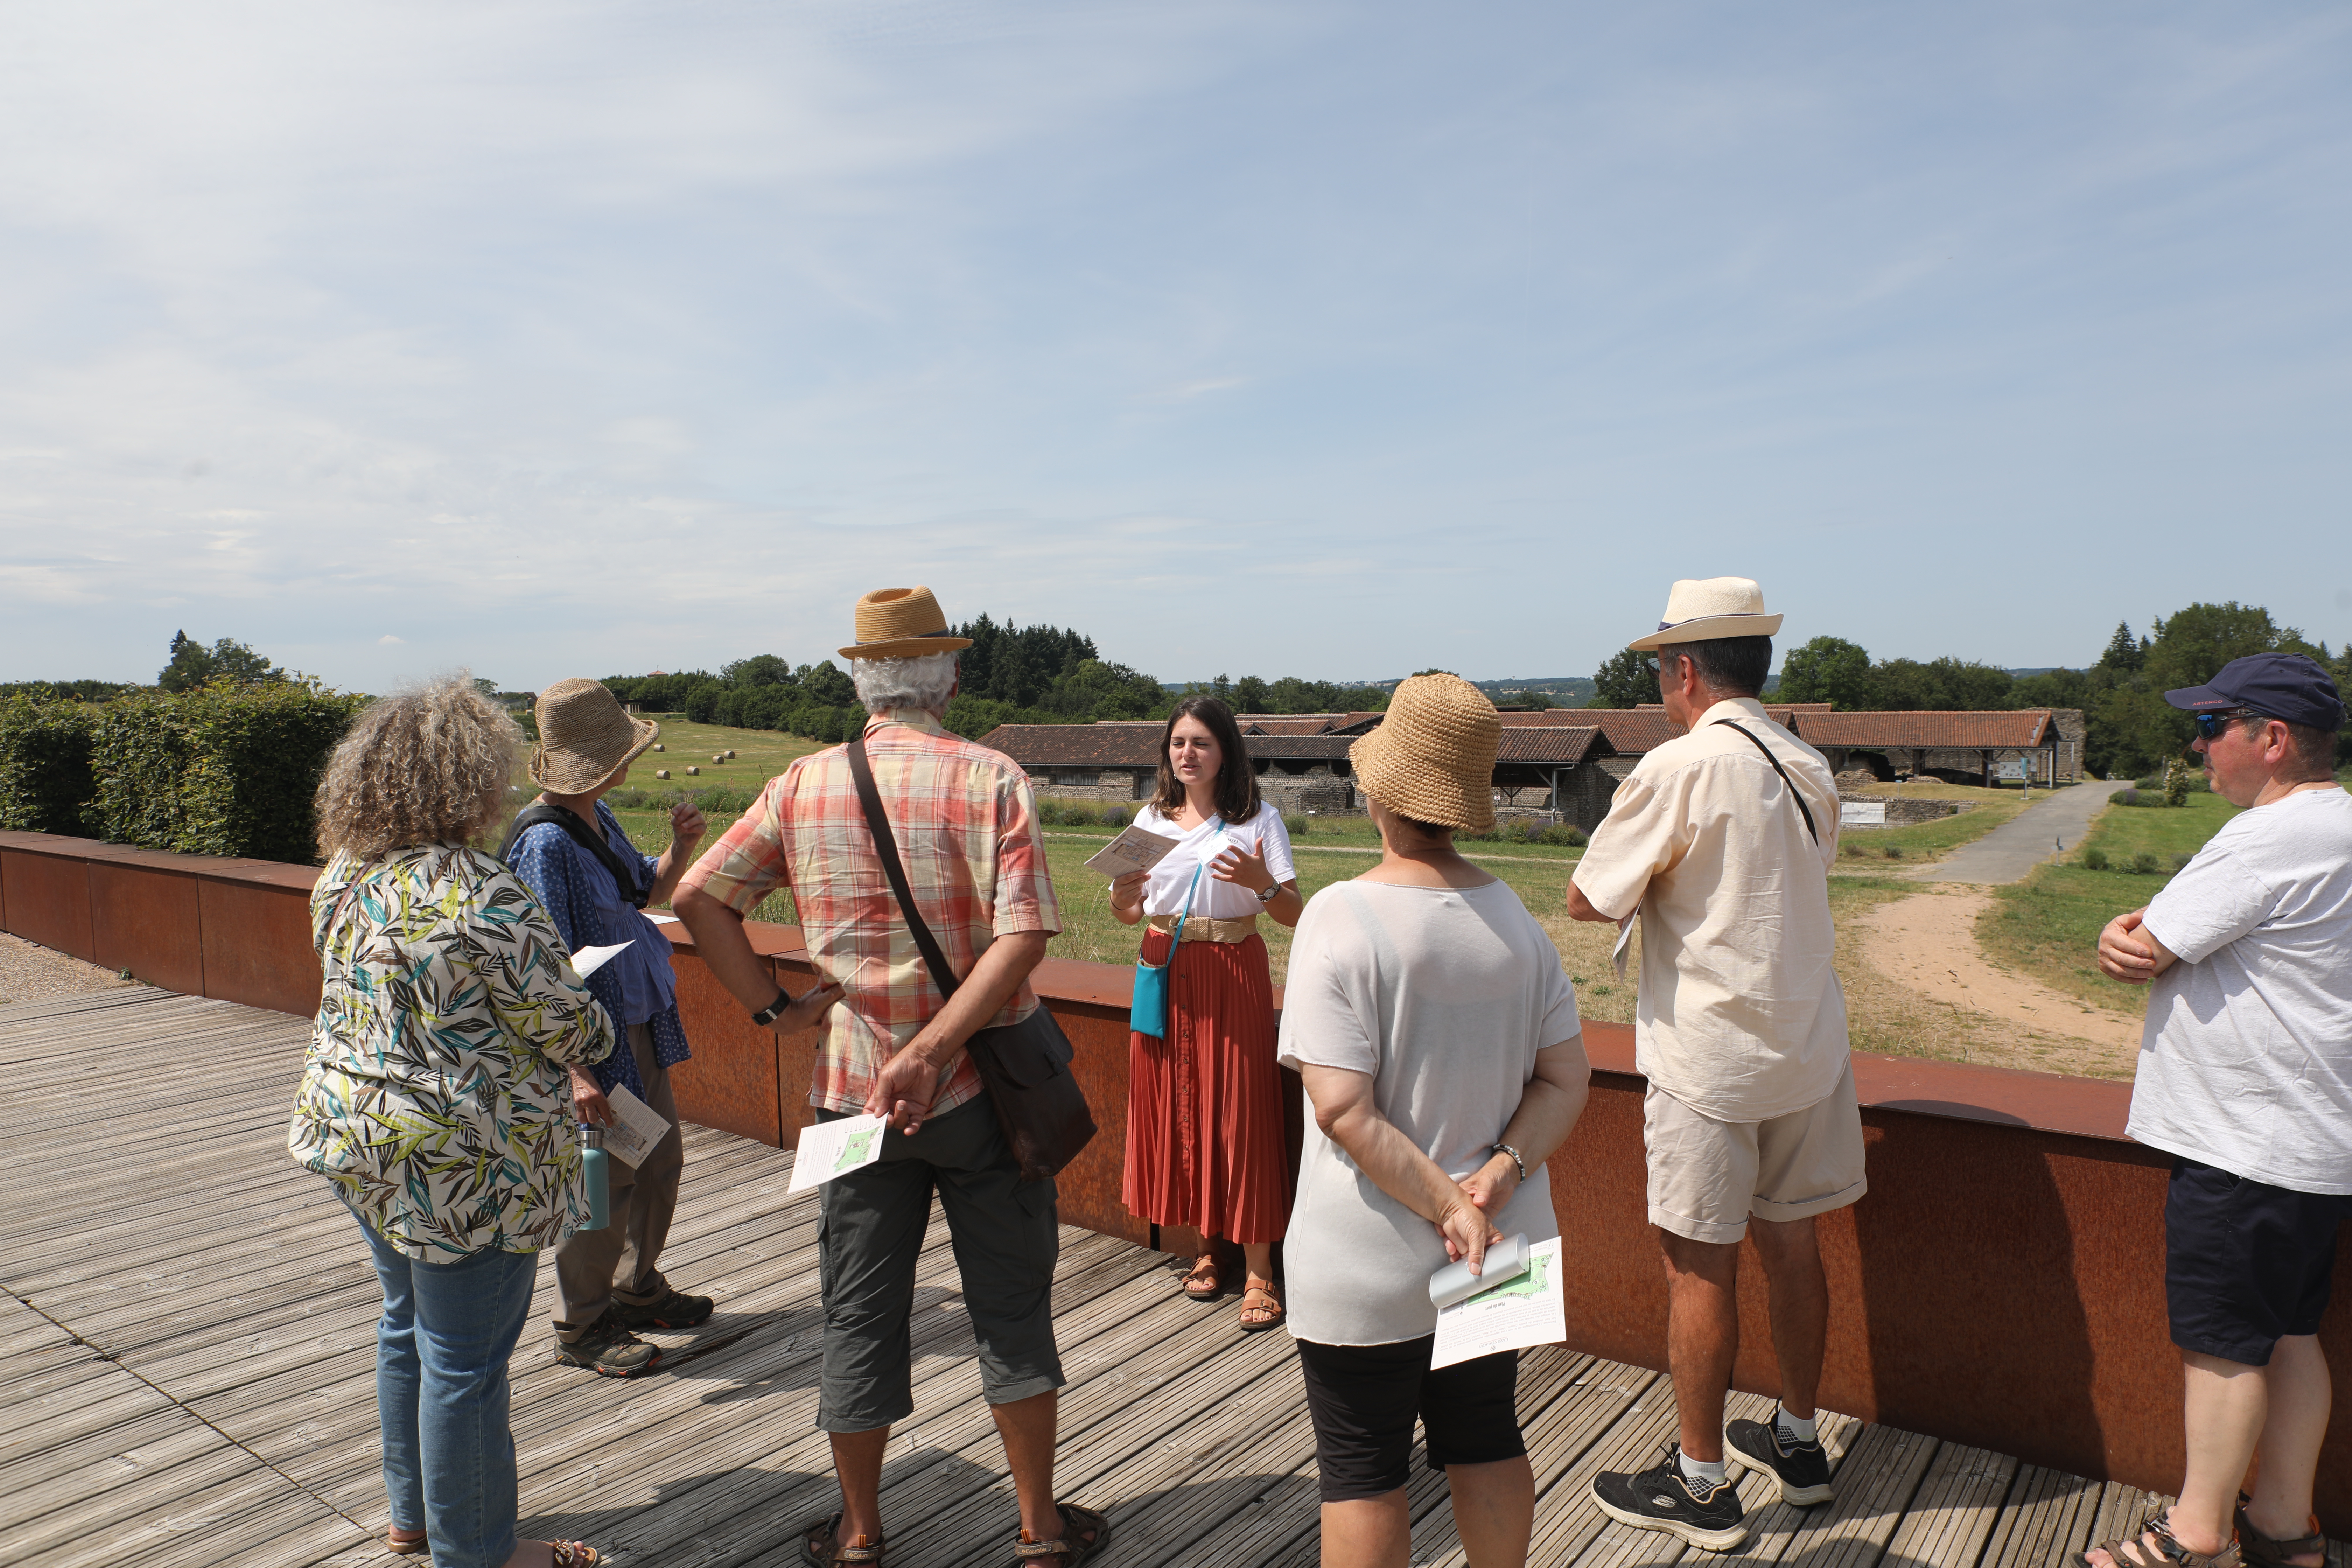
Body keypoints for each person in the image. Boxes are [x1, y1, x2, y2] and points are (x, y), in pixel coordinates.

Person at [673, 586, 1110, 1568]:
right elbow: (1027, 935)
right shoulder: (993, 776)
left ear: (864, 679)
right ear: (947, 676)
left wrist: (774, 1013)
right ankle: (1039, 1530)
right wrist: (935, 1051)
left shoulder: (803, 783)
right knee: (1011, 1307)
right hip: (984, 1091)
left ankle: (862, 1532)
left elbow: (700, 898)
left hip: (850, 1093)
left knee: (859, 1310)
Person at [288, 677, 611, 1568]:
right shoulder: (485, 892)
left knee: (406, 1321)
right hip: (464, 1162)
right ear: (470, 780)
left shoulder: (345, 875)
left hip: (356, 1136)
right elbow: (578, 1026)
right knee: (465, 1360)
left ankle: (415, 1517)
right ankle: (478, 1552)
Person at [1565, 577, 1860, 1551]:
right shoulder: (1810, 765)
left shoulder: (1679, 767)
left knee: (1699, 1269)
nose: (1660, 685)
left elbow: (1588, 899)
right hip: (1808, 1048)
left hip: (1710, 1059)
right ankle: (1800, 1440)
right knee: (1795, 1248)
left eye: (1660, 668)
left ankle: (1700, 1486)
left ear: (1686, 671)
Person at [1278, 673, 1591, 1568]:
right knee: (1489, 1434)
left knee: (1363, 1470)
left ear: (1378, 790)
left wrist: (1446, 1207)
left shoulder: (1339, 914)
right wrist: (1493, 1179)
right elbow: (1567, 1078)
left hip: (1368, 1256)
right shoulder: (1518, 924)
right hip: (1501, 1243)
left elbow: (1341, 1107)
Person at [2085, 653, 2348, 1568]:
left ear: (2271, 741)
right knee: (2290, 1335)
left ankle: (2196, 1540)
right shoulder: (2343, 824)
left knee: (2223, 1349)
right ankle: (2286, 1527)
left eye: (2212, 727)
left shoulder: (2268, 836)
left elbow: (2146, 944)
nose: (2196, 745)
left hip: (2245, 1144)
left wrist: (2129, 934)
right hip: (2316, 1142)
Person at [502, 678, 714, 1378]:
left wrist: (680, 848)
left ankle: (638, 1285)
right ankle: (584, 1323)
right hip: (594, 1046)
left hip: (636, 1025)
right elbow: (540, 964)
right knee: (606, 1182)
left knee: (658, 1164)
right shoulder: (543, 844)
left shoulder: (598, 814)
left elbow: (645, 889)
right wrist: (576, 1072)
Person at [1110, 694, 1302, 1331]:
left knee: (1241, 1110)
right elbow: (1128, 914)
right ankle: (1204, 1248)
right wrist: (1123, 894)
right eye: (1178, 743)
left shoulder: (1260, 821)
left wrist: (1259, 880)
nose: (1187, 755)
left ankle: (1259, 1269)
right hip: (1164, 964)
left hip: (1231, 969)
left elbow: (1293, 914)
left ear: (1226, 753)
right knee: (1180, 1099)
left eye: (1201, 744)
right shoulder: (1149, 821)